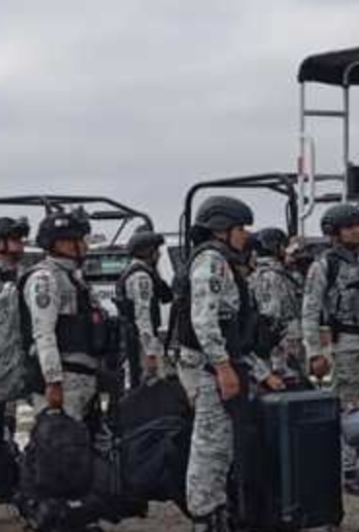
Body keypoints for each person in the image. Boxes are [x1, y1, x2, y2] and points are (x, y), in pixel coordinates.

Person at [175, 196, 283, 532]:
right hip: (209, 369)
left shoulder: (222, 262)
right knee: (210, 448)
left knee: (222, 447)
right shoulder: (210, 261)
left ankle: (219, 513)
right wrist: (223, 368)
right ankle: (206, 518)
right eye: (240, 229)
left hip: (222, 364)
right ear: (222, 229)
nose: (245, 236)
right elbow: (204, 321)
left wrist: (262, 374)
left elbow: (234, 332)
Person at [301, 203, 359, 489]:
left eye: (358, 224)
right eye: (349, 226)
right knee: (349, 408)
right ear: (335, 233)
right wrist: (314, 352)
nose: (357, 230)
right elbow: (311, 311)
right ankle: (348, 468)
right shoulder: (324, 264)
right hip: (348, 343)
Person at [25, 208, 108, 420]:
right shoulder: (45, 278)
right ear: (60, 243)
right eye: (79, 240)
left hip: (82, 377)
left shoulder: (73, 277)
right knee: (62, 445)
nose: (85, 246)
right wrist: (53, 381)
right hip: (64, 381)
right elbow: (44, 332)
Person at [115, 229, 171, 387]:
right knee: (146, 387)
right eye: (156, 251)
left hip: (134, 339)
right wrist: (150, 352)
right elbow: (143, 314)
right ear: (148, 252)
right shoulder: (142, 277)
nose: (159, 255)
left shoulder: (138, 271)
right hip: (140, 342)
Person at [249, 227, 304, 383]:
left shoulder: (278, 273)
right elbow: (271, 320)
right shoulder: (270, 276)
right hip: (280, 355)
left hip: (283, 350)